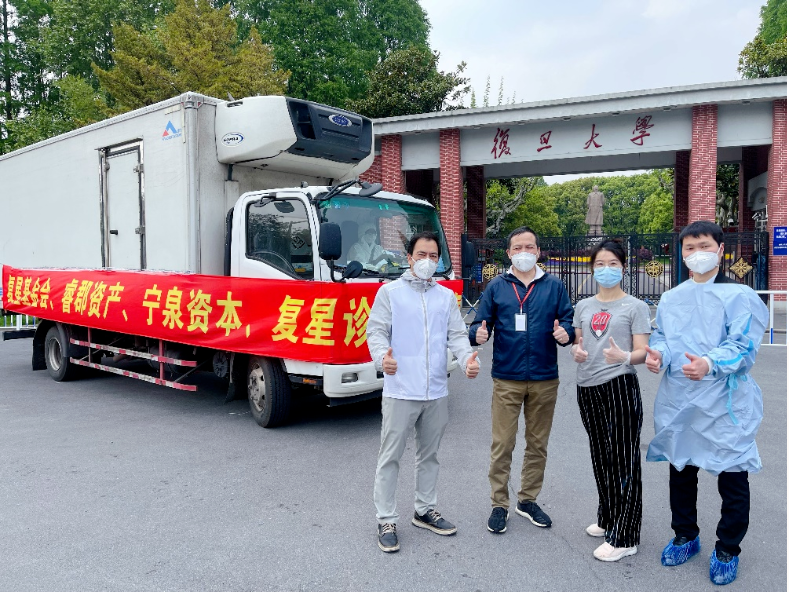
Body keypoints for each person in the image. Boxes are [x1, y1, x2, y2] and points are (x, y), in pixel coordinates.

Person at [645, 221, 768, 586]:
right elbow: (664, 338)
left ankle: (728, 547)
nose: (696, 253)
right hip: (681, 399)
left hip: (724, 402)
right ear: (681, 254)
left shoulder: (739, 296)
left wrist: (710, 363)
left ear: (720, 250)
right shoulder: (672, 298)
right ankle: (686, 535)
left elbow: (743, 346)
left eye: (704, 246)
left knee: (732, 476)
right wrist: (659, 356)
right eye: (689, 248)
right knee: (681, 469)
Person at [367, 231, 481, 553]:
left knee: (429, 456)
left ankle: (424, 510)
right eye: (421, 255)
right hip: (401, 390)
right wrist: (382, 358)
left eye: (433, 256)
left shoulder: (444, 297)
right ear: (409, 258)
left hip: (436, 390)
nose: (427, 261)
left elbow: (457, 336)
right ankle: (386, 519)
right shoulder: (390, 293)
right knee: (390, 456)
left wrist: (467, 360)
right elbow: (376, 331)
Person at [469, 226, 575, 534]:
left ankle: (527, 500)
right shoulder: (497, 286)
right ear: (509, 253)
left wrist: (566, 333)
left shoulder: (554, 286)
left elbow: (568, 320)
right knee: (503, 444)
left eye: (529, 247)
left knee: (537, 444)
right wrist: (477, 333)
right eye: (517, 248)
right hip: (507, 377)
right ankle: (499, 504)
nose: (524, 252)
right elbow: (479, 323)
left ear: (538, 251)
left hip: (544, 377)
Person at [570, 240, 651, 562]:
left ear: (624, 267)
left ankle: (626, 536)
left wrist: (625, 356)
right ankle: (608, 517)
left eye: (613, 264)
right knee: (600, 454)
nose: (606, 269)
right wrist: (576, 351)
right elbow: (579, 343)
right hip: (587, 385)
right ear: (593, 269)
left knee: (623, 458)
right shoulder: (583, 306)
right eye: (600, 264)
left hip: (619, 384)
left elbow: (643, 351)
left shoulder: (635, 306)